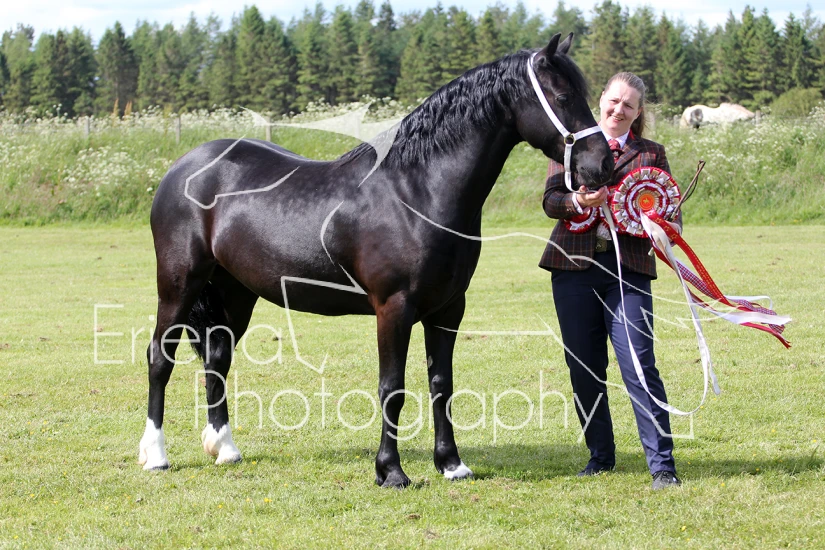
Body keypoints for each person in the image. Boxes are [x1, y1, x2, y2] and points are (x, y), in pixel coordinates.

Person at [539, 72, 683, 490]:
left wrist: (667, 227)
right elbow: (550, 200)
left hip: (628, 270)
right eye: (614, 100)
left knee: (639, 365)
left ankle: (662, 467)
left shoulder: (651, 153)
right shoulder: (570, 144)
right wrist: (578, 200)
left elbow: (669, 206)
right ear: (601, 99)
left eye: (629, 105)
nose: (619, 110)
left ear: (638, 113)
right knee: (584, 368)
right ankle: (600, 457)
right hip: (572, 270)